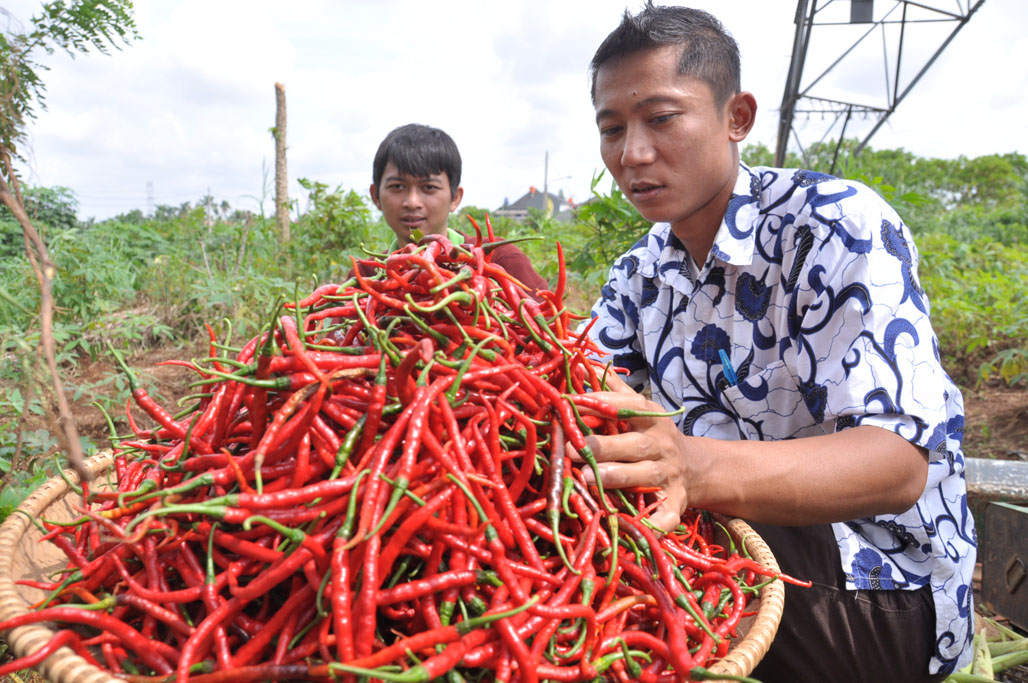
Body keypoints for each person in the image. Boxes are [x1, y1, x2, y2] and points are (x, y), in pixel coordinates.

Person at [578, 4, 975, 682]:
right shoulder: (639, 272)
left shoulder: (833, 227)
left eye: (662, 118)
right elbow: (576, 390)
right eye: (612, 129)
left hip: (881, 583)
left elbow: (897, 464)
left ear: (737, 117)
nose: (632, 153)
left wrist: (692, 467)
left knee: (631, 624)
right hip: (734, 537)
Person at [364, 123, 548, 293]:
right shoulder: (366, 273)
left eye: (429, 187)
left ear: (455, 198)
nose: (412, 202)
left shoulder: (501, 261)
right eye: (397, 186)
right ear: (376, 196)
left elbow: (548, 324)